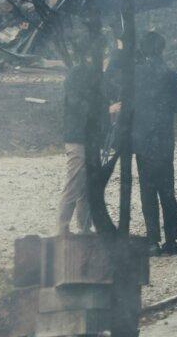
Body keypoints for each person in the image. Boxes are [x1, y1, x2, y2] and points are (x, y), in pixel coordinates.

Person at [132, 31, 177, 255]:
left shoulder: (135, 75)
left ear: (144, 50)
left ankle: (152, 240)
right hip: (164, 139)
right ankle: (171, 240)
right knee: (167, 189)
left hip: (143, 138)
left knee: (147, 189)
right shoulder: (171, 76)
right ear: (162, 49)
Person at [57, 60, 106, 234]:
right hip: (77, 138)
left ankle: (84, 226)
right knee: (75, 182)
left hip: (88, 138)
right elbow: (80, 106)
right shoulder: (77, 75)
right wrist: (107, 108)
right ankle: (62, 227)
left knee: (87, 184)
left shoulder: (88, 73)